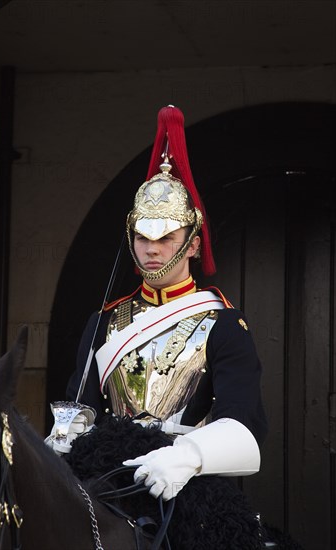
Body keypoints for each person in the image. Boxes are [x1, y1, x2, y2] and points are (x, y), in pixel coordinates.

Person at [48, 105, 267, 503]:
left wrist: (188, 457)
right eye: (143, 238)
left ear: (193, 245)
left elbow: (244, 424)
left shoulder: (222, 324)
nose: (152, 250)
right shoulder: (105, 321)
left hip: (185, 482)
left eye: (166, 238)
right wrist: (65, 434)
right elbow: (83, 409)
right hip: (107, 482)